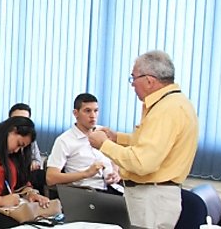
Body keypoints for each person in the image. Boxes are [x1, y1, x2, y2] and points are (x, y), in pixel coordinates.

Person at [89, 50, 198, 229]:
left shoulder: (166, 110)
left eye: (133, 78)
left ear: (149, 80)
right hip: (155, 196)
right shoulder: (175, 102)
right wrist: (117, 138)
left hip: (152, 197)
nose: (132, 85)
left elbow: (142, 163)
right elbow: (152, 144)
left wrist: (104, 145)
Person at [46, 93, 121, 194]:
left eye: (96, 111)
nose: (93, 116)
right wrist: (86, 173)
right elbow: (51, 178)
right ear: (76, 113)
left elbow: (115, 159)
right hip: (85, 192)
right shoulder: (64, 140)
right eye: (87, 111)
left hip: (111, 188)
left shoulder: (103, 132)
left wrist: (115, 172)